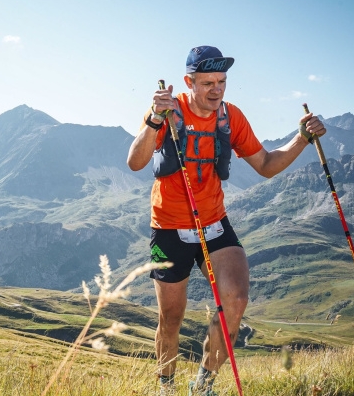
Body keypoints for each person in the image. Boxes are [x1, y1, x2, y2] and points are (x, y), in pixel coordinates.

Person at [126, 45, 326, 395]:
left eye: (221, 81)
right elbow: (135, 162)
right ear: (189, 82)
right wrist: (154, 118)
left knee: (235, 299)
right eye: (207, 83)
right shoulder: (168, 112)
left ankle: (203, 385)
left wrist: (302, 139)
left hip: (214, 224)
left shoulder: (231, 117)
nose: (216, 89)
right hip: (168, 229)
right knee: (171, 317)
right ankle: (166, 387)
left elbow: (265, 165)